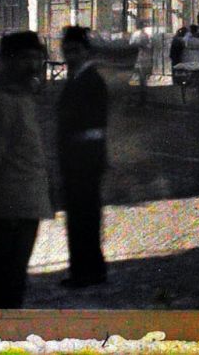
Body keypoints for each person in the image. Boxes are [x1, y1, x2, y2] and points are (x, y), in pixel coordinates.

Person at [0, 30, 51, 309]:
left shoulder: (21, 95)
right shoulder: (1, 100)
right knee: (8, 284)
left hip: (24, 201)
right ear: (7, 61)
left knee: (11, 281)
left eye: (36, 58)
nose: (33, 64)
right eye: (25, 58)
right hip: (9, 203)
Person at [57, 25, 110, 288]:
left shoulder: (91, 80)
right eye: (67, 51)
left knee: (83, 217)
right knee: (81, 215)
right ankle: (88, 269)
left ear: (86, 51)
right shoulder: (77, 78)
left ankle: (86, 271)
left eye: (75, 50)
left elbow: (93, 122)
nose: (70, 55)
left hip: (85, 158)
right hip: (77, 158)